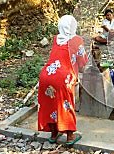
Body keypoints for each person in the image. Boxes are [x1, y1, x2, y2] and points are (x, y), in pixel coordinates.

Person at [38, 15, 88, 146]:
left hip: (46, 75)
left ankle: (54, 135)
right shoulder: (77, 40)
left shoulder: (56, 39)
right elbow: (82, 61)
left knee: (50, 104)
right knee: (67, 105)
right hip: (63, 77)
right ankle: (70, 137)